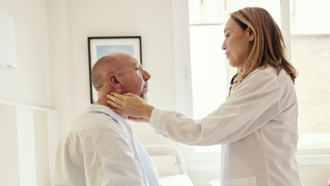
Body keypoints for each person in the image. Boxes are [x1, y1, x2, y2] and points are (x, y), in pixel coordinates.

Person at [107, 7, 304, 186]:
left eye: (227, 35)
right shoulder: (256, 80)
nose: (223, 45)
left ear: (250, 33)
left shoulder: (268, 80)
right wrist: (150, 116)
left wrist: (150, 113)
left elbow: (206, 130)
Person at [54, 52, 159, 186]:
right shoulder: (100, 129)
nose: (147, 76)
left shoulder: (110, 124)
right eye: (137, 69)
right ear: (115, 81)